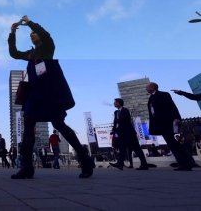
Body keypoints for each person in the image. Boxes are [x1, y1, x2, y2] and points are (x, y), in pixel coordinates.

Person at [8, 15, 94, 179]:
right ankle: (27, 167)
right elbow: (14, 53)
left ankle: (85, 159)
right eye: (31, 35)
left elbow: (46, 35)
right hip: (34, 95)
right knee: (28, 127)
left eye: (34, 33)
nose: (32, 35)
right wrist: (12, 33)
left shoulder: (47, 47)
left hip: (49, 94)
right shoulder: (31, 54)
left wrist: (30, 23)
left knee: (59, 124)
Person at [146, 82, 194, 171]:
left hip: (168, 123)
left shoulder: (163, 94)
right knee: (172, 144)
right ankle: (183, 163)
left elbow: (172, 106)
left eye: (147, 87)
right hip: (160, 125)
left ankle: (187, 163)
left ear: (152, 87)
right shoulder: (151, 98)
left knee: (175, 144)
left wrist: (177, 117)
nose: (146, 89)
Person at [109, 98, 149, 170]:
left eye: (115, 102)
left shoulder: (125, 110)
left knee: (137, 149)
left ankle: (144, 165)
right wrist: (113, 130)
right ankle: (120, 164)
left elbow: (125, 120)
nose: (114, 103)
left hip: (129, 133)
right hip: (121, 133)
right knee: (122, 149)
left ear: (119, 103)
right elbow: (115, 123)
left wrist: (117, 121)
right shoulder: (116, 112)